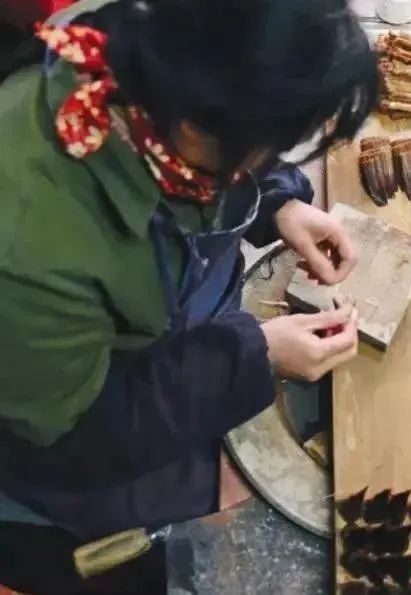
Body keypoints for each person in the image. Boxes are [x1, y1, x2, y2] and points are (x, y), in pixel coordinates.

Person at [0, 0, 377, 587]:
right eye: (266, 147)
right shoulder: (29, 247)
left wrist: (277, 201)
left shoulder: (158, 45)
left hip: (172, 338)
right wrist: (252, 357)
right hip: (68, 448)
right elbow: (67, 440)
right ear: (200, 128)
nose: (266, 158)